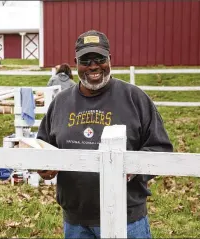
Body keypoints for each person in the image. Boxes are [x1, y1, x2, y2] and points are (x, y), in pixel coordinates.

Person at [36, 30, 173, 239]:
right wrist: (43, 167)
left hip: (128, 219)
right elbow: (42, 145)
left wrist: (131, 168)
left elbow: (161, 148)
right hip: (76, 222)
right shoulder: (60, 103)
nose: (93, 66)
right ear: (76, 63)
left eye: (100, 58)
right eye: (86, 60)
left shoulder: (135, 98)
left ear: (110, 60)